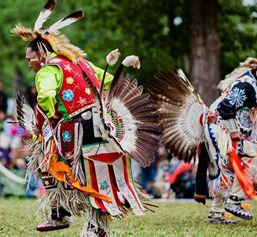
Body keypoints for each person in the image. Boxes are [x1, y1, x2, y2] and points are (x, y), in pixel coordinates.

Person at [13, 1, 161, 235]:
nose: (29, 63)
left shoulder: (47, 70)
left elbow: (46, 98)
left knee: (47, 158)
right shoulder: (80, 63)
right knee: (100, 175)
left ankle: (61, 213)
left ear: (41, 53)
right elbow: (110, 80)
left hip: (76, 130)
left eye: (29, 58)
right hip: (103, 126)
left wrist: (50, 116)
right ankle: (88, 224)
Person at [149, 30, 257, 224]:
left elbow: (245, 119)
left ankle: (217, 213)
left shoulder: (253, 89)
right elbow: (226, 108)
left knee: (241, 162)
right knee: (230, 167)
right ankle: (233, 201)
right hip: (218, 127)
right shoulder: (246, 87)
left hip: (224, 128)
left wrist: (251, 138)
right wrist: (234, 132)